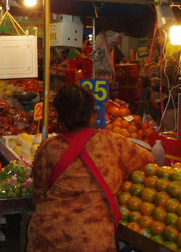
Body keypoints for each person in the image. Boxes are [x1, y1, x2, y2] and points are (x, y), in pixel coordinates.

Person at [27, 84, 154, 251]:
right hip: (92, 237)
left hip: (48, 236)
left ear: (60, 117)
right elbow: (149, 161)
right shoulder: (114, 143)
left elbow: (38, 196)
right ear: (93, 115)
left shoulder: (48, 148)